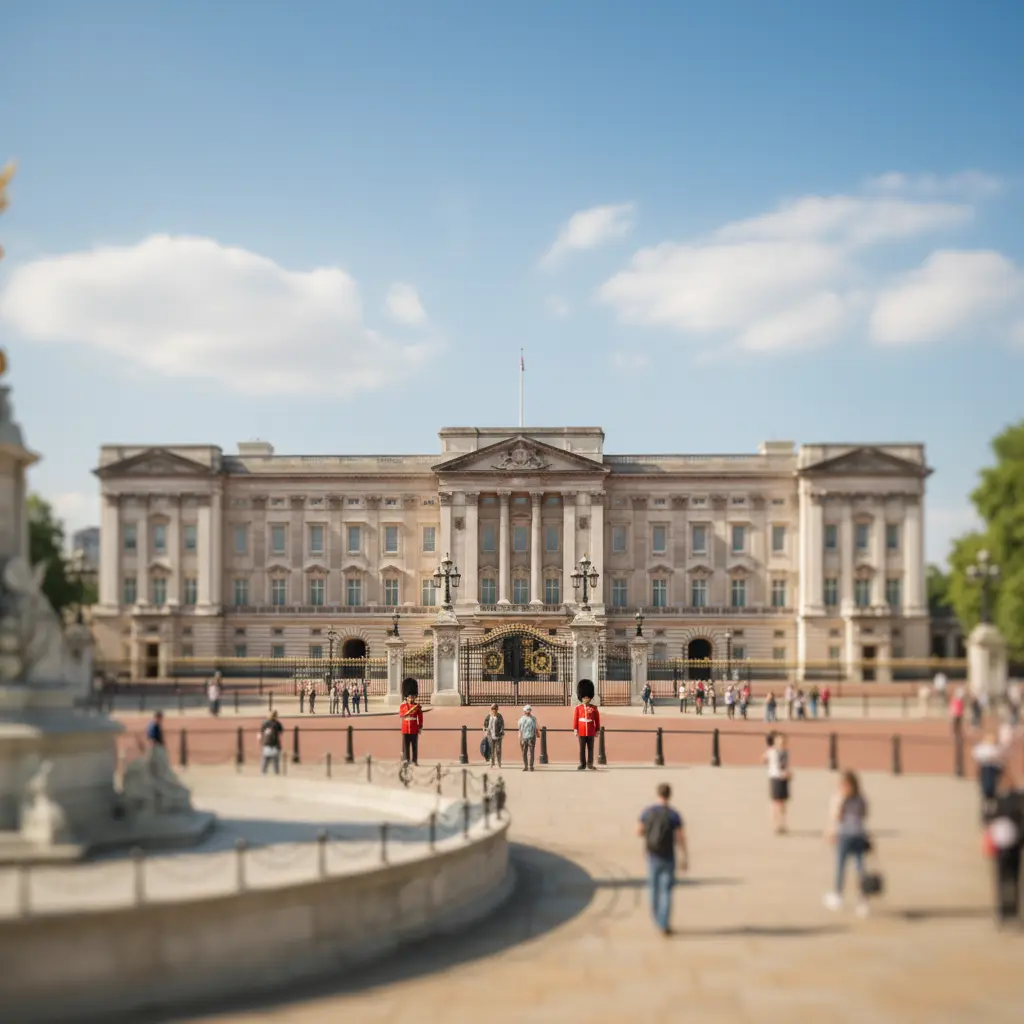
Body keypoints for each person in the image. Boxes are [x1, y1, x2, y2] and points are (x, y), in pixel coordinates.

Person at [637, 782, 688, 936]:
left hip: (653, 854)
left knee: (654, 888)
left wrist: (649, 834)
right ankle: (664, 923)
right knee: (666, 890)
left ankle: (656, 917)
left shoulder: (648, 812)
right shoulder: (674, 815)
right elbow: (680, 838)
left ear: (658, 794)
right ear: (669, 795)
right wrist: (684, 856)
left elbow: (638, 831)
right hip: (668, 854)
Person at [824, 771, 871, 916]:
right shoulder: (861, 799)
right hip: (855, 833)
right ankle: (854, 898)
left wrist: (831, 832)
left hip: (848, 835)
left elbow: (837, 816)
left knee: (848, 867)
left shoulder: (844, 799)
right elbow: (864, 814)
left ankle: (847, 897)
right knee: (853, 867)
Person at [984, 785, 1024, 926]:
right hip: (1013, 846)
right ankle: (1011, 911)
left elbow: (987, 817)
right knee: (1012, 880)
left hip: (1003, 847)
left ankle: (1005, 912)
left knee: (1003, 880)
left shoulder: (999, 800)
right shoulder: (1018, 800)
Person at [762, 732, 791, 834]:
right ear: (776, 742)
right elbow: (763, 759)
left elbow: (785, 765)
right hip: (775, 778)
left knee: (782, 803)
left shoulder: (786, 752)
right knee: (775, 803)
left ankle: (782, 824)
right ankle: (775, 825)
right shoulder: (772, 751)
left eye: (784, 741)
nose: (782, 743)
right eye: (780, 741)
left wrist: (788, 772)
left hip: (783, 779)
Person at [573, 680, 600, 770]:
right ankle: (582, 764)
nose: (586, 699)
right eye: (584, 698)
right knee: (582, 749)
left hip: (591, 731)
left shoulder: (594, 708)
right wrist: (575, 729)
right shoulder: (578, 708)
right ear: (581, 698)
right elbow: (576, 719)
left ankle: (590, 764)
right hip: (581, 731)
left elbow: (597, 720)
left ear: (590, 698)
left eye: (587, 697)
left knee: (591, 749)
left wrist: (597, 730)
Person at [399, 678, 423, 765]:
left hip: (414, 728)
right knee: (406, 746)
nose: (412, 698)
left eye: (413, 696)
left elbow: (420, 717)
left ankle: (414, 761)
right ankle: (406, 760)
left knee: (414, 746)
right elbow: (402, 715)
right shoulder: (403, 706)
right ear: (407, 696)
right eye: (410, 696)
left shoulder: (417, 707)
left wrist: (420, 727)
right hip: (405, 728)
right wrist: (409, 711)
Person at [259, 709, 284, 774]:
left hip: (266, 742)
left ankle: (263, 772)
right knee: (275, 760)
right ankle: (276, 772)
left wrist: (260, 741)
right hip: (274, 742)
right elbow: (281, 732)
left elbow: (261, 733)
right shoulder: (277, 723)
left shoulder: (264, 722)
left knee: (265, 759)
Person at [483, 703, 505, 768]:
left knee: (498, 750)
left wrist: (501, 732)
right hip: (490, 735)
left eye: (495, 709)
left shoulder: (499, 716)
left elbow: (502, 725)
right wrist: (485, 731)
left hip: (498, 735)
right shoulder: (489, 716)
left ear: (497, 709)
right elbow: (485, 724)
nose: (494, 710)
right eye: (493, 709)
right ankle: (492, 763)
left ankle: (499, 763)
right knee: (491, 750)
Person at [518, 704, 537, 771]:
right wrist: (520, 737)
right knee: (524, 752)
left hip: (532, 737)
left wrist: (537, 733)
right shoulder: (521, 719)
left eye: (529, 710)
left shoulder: (533, 718)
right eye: (527, 711)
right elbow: (520, 729)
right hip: (524, 738)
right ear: (524, 711)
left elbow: (535, 727)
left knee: (531, 752)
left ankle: (531, 766)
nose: (528, 712)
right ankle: (526, 766)